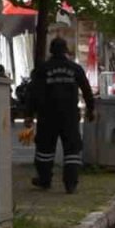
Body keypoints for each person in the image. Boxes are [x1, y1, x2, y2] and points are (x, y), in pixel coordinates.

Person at [24, 38, 95, 194]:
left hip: (47, 116)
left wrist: (29, 114)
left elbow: (32, 93)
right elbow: (86, 90)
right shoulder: (75, 68)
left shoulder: (42, 69)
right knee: (72, 149)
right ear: (65, 51)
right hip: (69, 115)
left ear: (51, 51)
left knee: (44, 149)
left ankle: (44, 180)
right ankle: (71, 183)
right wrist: (91, 109)